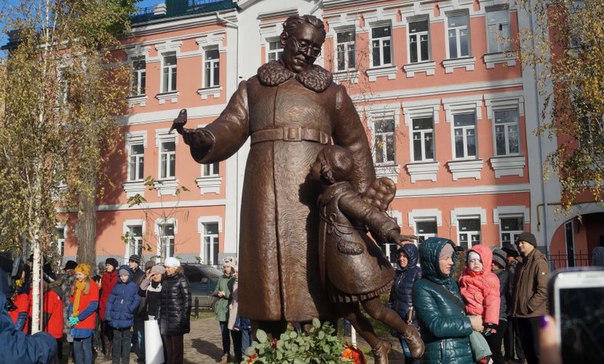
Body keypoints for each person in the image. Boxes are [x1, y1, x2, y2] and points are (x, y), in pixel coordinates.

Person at [173, 14, 376, 331]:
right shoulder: (254, 88)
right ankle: (269, 341)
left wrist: (363, 200)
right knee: (266, 270)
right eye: (302, 44)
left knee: (312, 272)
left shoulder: (332, 92)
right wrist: (206, 138)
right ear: (284, 41)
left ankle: (314, 341)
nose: (307, 52)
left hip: (313, 191)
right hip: (264, 187)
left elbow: (357, 147)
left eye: (314, 48)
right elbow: (230, 126)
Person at [311, 145, 424, 364]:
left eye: (316, 162)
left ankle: (408, 332)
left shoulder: (343, 197)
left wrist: (392, 232)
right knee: (349, 313)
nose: (310, 166)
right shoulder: (325, 196)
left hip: (356, 265)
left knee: (375, 310)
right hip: (337, 268)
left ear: (326, 172)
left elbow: (369, 213)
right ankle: (378, 345)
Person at [413, 237, 484, 363]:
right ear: (432, 260)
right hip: (443, 357)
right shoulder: (421, 287)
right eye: (446, 258)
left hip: (465, 353)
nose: (451, 262)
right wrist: (470, 323)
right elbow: (435, 325)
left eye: (452, 257)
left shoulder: (451, 283)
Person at [0, 266, 57, 364]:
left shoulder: (51, 295)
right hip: (38, 336)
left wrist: (74, 322)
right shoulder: (24, 296)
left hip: (53, 330)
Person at [510, 232, 550, 364]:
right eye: (518, 242)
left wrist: (529, 306)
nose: (519, 245)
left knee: (538, 352)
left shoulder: (539, 261)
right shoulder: (521, 263)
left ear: (531, 244)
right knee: (527, 352)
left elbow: (543, 289)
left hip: (534, 315)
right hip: (521, 314)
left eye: (523, 242)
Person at [458, 245, 500, 363]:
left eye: (479, 260)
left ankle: (484, 355)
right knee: (469, 332)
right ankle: (483, 356)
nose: (475, 263)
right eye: (472, 260)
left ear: (485, 262)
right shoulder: (464, 277)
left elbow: (493, 301)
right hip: (467, 311)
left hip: (481, 315)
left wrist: (490, 322)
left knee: (471, 330)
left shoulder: (489, 279)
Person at [389, 244, 422, 363]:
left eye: (404, 256)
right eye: (399, 256)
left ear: (411, 257)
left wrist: (413, 315)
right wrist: (390, 310)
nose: (401, 258)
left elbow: (421, 297)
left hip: (412, 321)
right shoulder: (398, 274)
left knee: (414, 354)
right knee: (407, 353)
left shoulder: (418, 273)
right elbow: (392, 297)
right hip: (398, 320)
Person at [158, 257, 191, 364]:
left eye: (168, 267)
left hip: (177, 320)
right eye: (166, 267)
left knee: (177, 350)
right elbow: (162, 300)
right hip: (165, 319)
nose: (166, 269)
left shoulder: (182, 279)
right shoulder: (166, 280)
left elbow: (187, 300)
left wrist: (184, 319)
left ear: (175, 268)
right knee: (168, 350)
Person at [105, 266, 141, 364]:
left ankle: (125, 361)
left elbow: (137, 299)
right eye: (121, 275)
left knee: (126, 341)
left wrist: (130, 309)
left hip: (127, 318)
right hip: (116, 318)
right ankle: (115, 361)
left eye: (125, 275)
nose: (123, 277)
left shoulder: (133, 286)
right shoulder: (116, 286)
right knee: (116, 341)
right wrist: (108, 315)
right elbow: (110, 301)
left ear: (129, 275)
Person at [68, 264, 99, 364]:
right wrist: (71, 316)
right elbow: (71, 303)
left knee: (86, 346)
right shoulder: (76, 286)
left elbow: (93, 305)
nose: (78, 276)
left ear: (85, 274)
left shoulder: (93, 286)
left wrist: (79, 317)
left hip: (86, 320)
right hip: (75, 320)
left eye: (80, 274)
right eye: (77, 274)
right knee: (76, 347)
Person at [501, 242, 525, 363]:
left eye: (508, 256)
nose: (507, 258)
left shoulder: (513, 267)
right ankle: (514, 356)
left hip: (513, 304)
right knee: (512, 332)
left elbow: (510, 288)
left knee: (515, 332)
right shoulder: (512, 266)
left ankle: (514, 356)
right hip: (512, 304)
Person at [487, 248, 510, 364]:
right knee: (488, 349)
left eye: (495, 262)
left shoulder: (504, 275)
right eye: (491, 261)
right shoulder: (487, 274)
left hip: (499, 316)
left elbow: (496, 291)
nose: (492, 264)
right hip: (487, 316)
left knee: (495, 348)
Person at [213, 259, 236, 364]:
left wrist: (225, 294)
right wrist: (218, 293)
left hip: (232, 309)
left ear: (232, 267)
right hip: (222, 309)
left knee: (235, 334)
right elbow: (215, 290)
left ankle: (237, 354)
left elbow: (236, 294)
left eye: (228, 266)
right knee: (224, 334)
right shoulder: (220, 278)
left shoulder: (234, 278)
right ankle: (225, 354)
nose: (226, 268)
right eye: (225, 267)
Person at [99, 257, 118, 360]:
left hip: (114, 306)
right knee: (104, 330)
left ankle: (112, 352)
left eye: (109, 265)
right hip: (104, 305)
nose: (107, 267)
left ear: (114, 266)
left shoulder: (118, 276)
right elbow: (102, 292)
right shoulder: (104, 277)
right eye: (106, 265)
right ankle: (107, 352)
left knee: (113, 330)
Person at [127, 254, 146, 362]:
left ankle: (142, 355)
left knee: (139, 332)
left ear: (137, 263)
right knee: (128, 331)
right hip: (128, 306)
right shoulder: (126, 273)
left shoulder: (141, 275)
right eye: (130, 261)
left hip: (138, 307)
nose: (130, 263)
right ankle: (130, 348)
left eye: (133, 261)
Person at [10, 264, 31, 332]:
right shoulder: (13, 292)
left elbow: (22, 316)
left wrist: (15, 333)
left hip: (18, 333)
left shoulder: (23, 295)